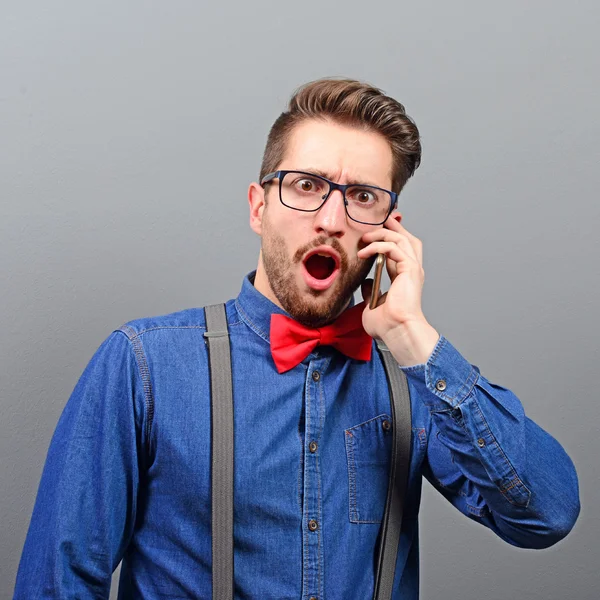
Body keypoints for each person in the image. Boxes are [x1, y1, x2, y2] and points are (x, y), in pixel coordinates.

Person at [14, 77, 580, 599]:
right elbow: (58, 582)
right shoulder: (143, 365)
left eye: (362, 196)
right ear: (259, 208)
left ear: (389, 230)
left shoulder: (416, 384)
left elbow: (545, 515)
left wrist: (415, 338)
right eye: (306, 185)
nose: (332, 219)